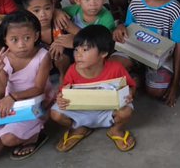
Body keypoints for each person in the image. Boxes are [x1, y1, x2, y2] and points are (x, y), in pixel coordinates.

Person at [0, 11, 51, 165]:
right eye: (14, 39)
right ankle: (3, 136)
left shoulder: (42, 56)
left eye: (27, 38)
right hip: (8, 102)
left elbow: (38, 89)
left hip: (33, 103)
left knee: (9, 139)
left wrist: (13, 97)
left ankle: (35, 136)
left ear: (36, 36)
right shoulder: (4, 59)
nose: (21, 44)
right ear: (5, 40)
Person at [51, 24, 137, 152]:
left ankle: (116, 130)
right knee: (56, 114)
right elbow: (63, 92)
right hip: (82, 111)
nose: (78, 55)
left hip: (107, 111)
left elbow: (130, 86)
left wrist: (129, 94)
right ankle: (79, 128)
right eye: (76, 50)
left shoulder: (116, 68)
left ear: (103, 53)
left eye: (85, 50)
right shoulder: (72, 70)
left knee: (126, 110)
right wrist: (61, 99)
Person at [115, 0, 180, 105]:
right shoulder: (136, 3)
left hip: (160, 57)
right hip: (135, 50)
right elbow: (128, 27)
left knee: (156, 92)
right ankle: (138, 74)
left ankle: (140, 78)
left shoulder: (174, 9)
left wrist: (175, 84)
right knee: (115, 65)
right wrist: (120, 26)